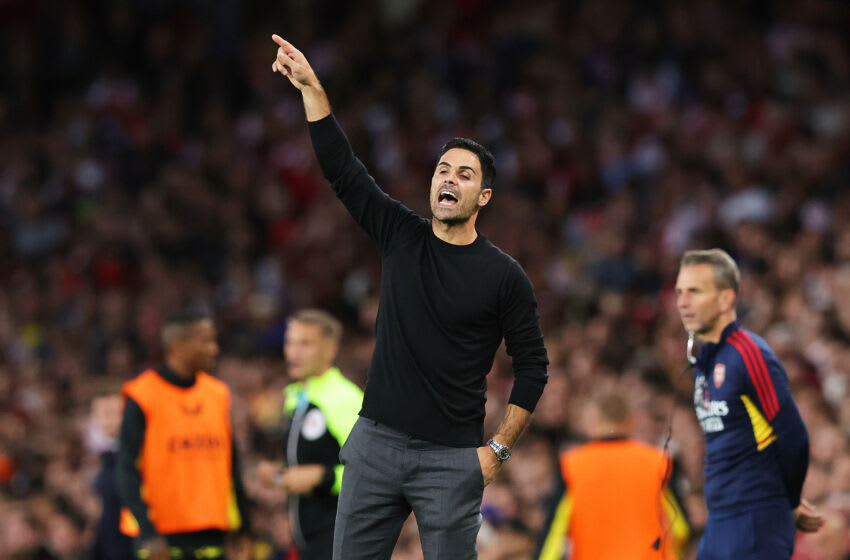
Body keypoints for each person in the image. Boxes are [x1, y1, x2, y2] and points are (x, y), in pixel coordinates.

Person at [270, 35, 549, 560]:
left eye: (464, 175)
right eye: (443, 170)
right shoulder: (401, 235)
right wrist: (311, 89)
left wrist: (496, 452)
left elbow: (534, 368)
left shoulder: (504, 276)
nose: (449, 179)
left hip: (451, 459)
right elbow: (343, 171)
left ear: (482, 197)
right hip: (375, 444)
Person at [675, 249, 824, 559]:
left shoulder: (749, 354)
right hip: (720, 518)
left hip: (755, 516)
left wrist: (790, 500)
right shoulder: (706, 361)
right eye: (679, 292)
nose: (682, 302)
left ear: (726, 299)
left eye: (694, 292)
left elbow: (793, 437)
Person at [116, 311, 252, 560]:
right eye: (206, 341)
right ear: (178, 345)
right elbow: (126, 469)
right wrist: (148, 534)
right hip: (163, 539)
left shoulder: (218, 394)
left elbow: (232, 464)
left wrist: (244, 528)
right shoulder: (143, 396)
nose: (214, 349)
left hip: (213, 534)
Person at [258, 310, 363, 560]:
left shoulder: (344, 399)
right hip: (307, 541)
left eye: (305, 344)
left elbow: (372, 471)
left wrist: (322, 476)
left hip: (341, 539)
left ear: (330, 349)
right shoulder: (295, 397)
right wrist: (277, 474)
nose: (293, 352)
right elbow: (304, 468)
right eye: (290, 342)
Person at [536, 391, 690, 560]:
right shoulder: (659, 462)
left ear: (593, 420)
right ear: (631, 420)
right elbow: (681, 529)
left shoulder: (572, 466)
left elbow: (553, 539)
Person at [89, 392, 134, 560]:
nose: (105, 421)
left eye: (110, 413)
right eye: (99, 414)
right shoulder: (108, 464)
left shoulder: (134, 463)